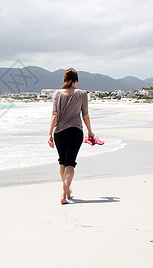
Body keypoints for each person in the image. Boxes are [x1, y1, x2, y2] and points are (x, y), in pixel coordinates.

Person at [48, 68, 95, 204]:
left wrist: (49, 133)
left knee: (62, 162)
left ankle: (66, 190)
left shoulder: (57, 94)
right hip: (75, 132)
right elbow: (85, 114)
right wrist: (90, 131)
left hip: (59, 133)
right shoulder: (82, 94)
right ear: (77, 80)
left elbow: (54, 115)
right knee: (70, 163)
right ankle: (64, 192)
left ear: (63, 79)